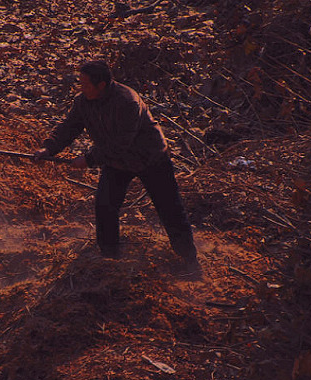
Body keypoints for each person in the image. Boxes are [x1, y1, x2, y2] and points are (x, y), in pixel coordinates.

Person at [34, 60, 199, 273]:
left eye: (85, 84)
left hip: (151, 158)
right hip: (117, 162)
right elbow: (69, 127)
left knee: (170, 210)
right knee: (105, 206)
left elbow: (120, 144)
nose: (81, 89)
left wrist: (88, 160)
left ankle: (189, 262)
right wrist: (48, 149)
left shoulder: (127, 102)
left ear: (101, 84)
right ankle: (109, 259)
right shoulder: (83, 101)